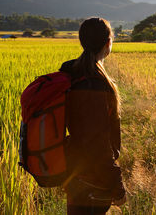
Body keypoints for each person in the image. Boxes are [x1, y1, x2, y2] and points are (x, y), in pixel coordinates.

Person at [60, 17, 126, 214]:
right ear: (108, 43)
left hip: (75, 172)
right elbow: (96, 142)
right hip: (92, 179)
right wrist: (117, 185)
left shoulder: (72, 73)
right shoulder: (93, 83)